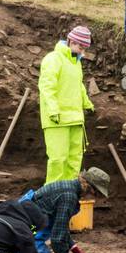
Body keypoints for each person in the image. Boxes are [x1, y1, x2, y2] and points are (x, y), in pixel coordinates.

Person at [28, 167, 111, 253]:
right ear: (88, 187)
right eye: (96, 193)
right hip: (27, 230)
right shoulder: (69, 197)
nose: (95, 197)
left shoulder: (70, 188)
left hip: (30, 222)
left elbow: (60, 227)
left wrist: (75, 249)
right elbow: (57, 239)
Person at [38, 26, 95, 183]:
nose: (82, 51)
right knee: (58, 159)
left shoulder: (76, 63)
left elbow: (78, 85)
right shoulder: (53, 59)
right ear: (71, 41)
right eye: (80, 47)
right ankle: (51, 195)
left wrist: (87, 103)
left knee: (74, 160)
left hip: (75, 119)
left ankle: (68, 195)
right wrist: (53, 110)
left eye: (84, 48)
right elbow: (47, 86)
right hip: (57, 120)